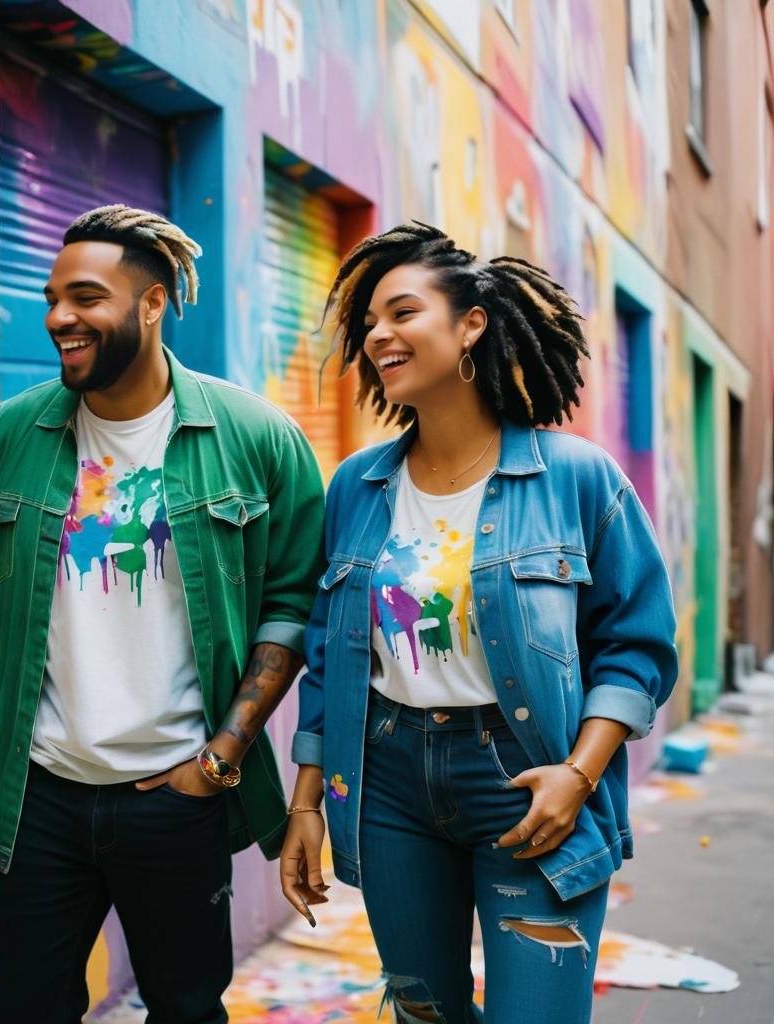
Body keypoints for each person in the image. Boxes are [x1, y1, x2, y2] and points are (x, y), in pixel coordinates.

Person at [0, 204, 325, 1024]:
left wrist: (220, 758)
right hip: (41, 796)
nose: (58, 319)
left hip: (178, 794)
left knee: (187, 1010)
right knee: (26, 1011)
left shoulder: (255, 437)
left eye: (84, 297)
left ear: (152, 305)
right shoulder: (11, 435)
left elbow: (293, 606)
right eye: (50, 299)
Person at [279, 222, 678, 1024]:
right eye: (369, 325)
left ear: (470, 324)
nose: (378, 336)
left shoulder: (574, 477)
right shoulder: (359, 484)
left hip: (526, 777)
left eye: (402, 312)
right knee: (424, 1013)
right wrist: (307, 801)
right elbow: (330, 653)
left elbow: (635, 644)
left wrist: (579, 773)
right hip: (389, 781)